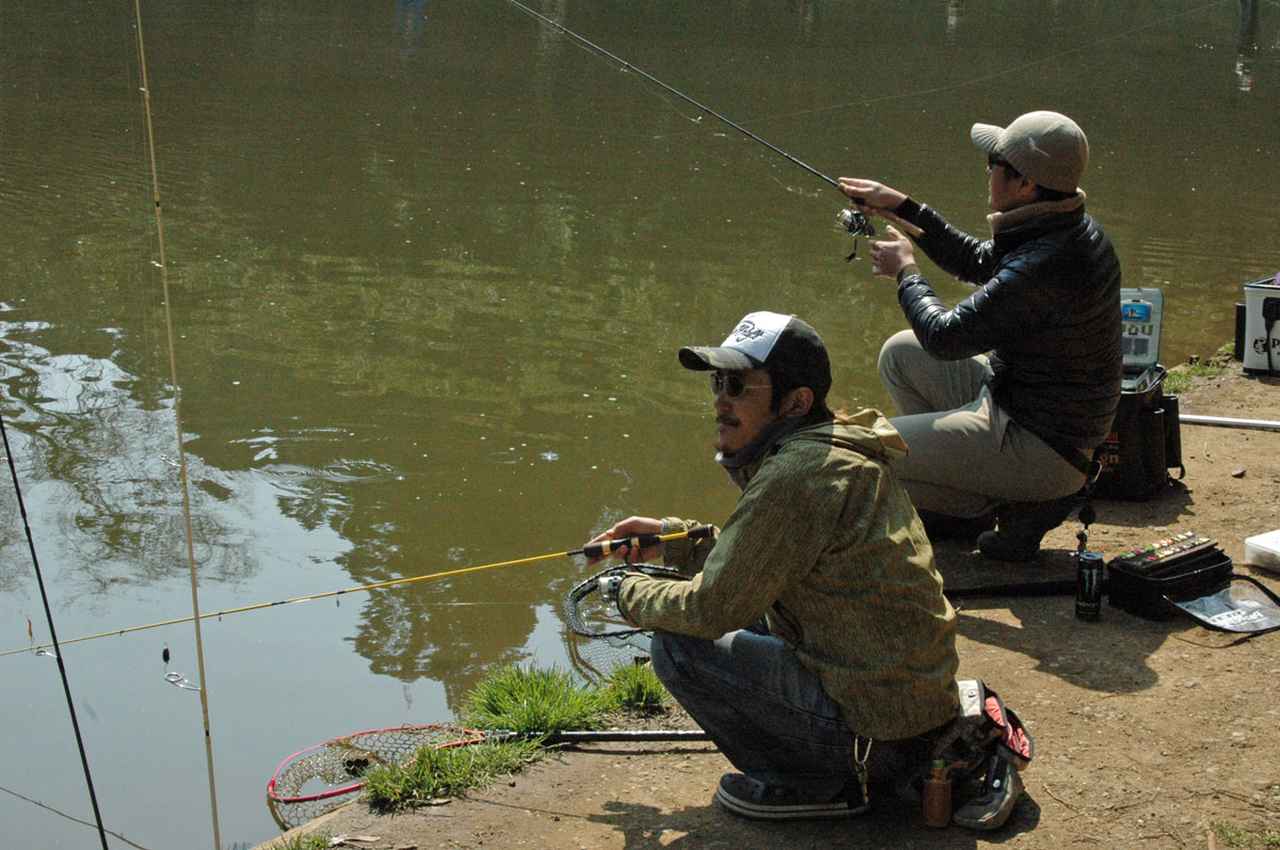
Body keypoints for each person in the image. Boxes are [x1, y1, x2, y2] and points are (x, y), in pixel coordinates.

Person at [586, 310, 960, 821]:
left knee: (678, 646)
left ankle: (815, 783)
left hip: (877, 740)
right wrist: (676, 541)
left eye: (738, 385)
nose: (720, 400)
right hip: (909, 713)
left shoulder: (797, 476)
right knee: (734, 616)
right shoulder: (834, 447)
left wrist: (622, 590)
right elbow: (767, 562)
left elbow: (708, 608)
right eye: (718, 383)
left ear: (795, 402)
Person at [838, 110, 1122, 562]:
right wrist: (899, 205)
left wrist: (906, 271)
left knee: (862, 451)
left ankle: (1009, 498)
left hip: (1040, 446)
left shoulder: (1043, 263)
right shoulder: (1064, 227)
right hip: (1026, 408)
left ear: (1025, 184)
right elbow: (975, 259)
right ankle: (963, 506)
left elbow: (945, 337)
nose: (987, 170)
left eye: (994, 162)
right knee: (900, 354)